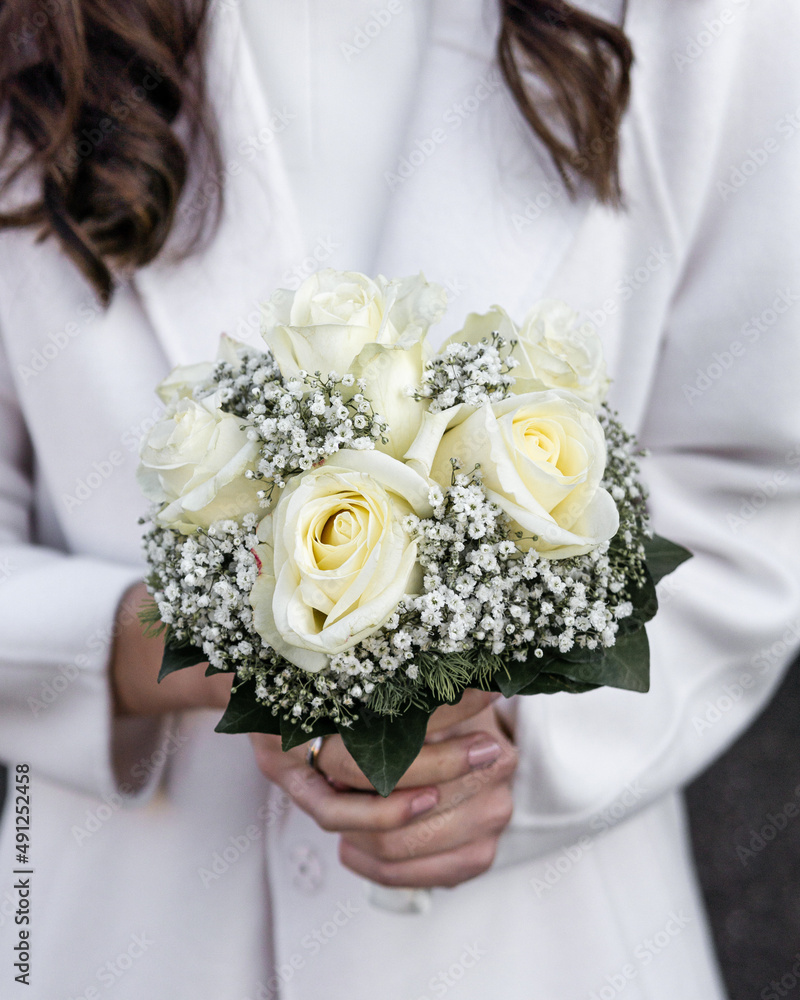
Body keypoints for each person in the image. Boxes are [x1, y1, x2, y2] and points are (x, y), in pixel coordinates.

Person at [0, 0, 798, 997]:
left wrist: (510, 747)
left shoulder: (708, 21)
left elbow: (750, 487)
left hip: (543, 953)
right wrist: (169, 642)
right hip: (123, 938)